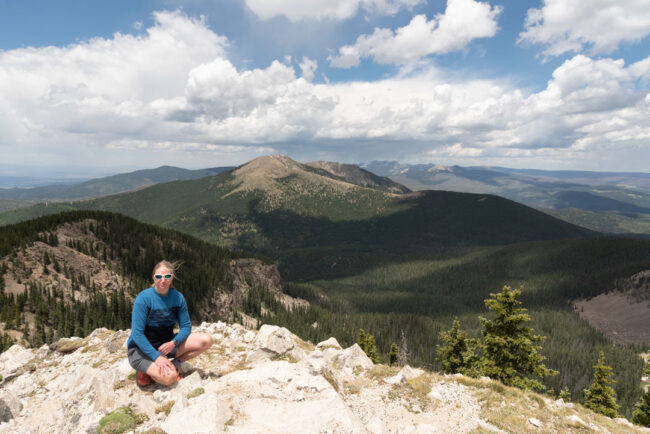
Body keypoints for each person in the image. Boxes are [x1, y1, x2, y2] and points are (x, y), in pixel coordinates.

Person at [127, 260, 213, 386]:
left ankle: (172, 365)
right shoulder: (144, 298)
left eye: (167, 276)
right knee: (170, 378)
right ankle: (144, 370)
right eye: (158, 277)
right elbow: (137, 334)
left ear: (172, 277)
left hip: (165, 346)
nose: (163, 280)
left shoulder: (178, 298)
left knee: (207, 340)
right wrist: (157, 357)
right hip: (140, 349)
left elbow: (186, 326)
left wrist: (174, 343)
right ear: (153, 277)